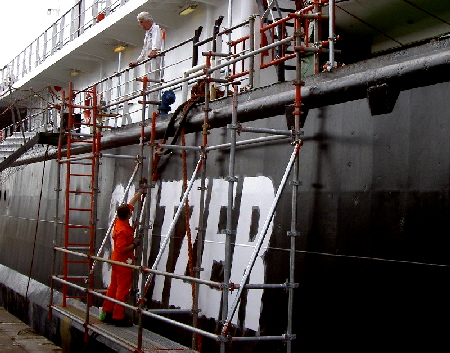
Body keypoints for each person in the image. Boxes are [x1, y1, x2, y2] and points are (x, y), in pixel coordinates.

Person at [100, 189, 145, 327]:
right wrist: (134, 244)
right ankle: (118, 317)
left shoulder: (119, 221)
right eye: (130, 213)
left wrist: (140, 193)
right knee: (122, 289)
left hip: (116, 261)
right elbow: (121, 249)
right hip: (123, 262)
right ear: (128, 216)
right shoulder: (123, 230)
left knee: (113, 287)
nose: (131, 213)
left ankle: (106, 312)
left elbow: (130, 203)